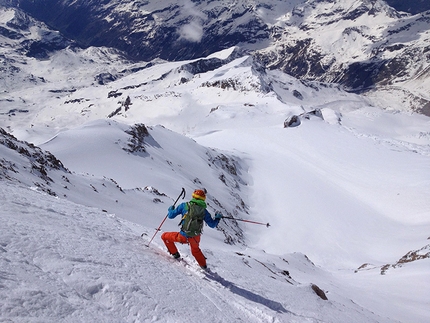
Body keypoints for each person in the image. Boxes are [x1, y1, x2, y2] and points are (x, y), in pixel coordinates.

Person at [161, 189, 222, 269]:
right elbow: (212, 225)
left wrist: (170, 209)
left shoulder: (184, 205)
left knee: (164, 236)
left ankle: (175, 253)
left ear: (193, 196)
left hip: (183, 236)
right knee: (195, 250)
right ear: (203, 199)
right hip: (195, 237)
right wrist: (217, 218)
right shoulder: (204, 211)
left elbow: (170, 216)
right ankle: (203, 266)